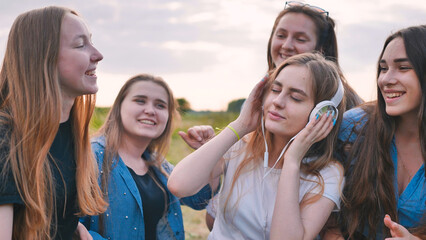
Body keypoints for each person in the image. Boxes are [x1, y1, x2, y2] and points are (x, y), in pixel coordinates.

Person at [203, 1, 364, 230]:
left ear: (321, 50)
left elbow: (349, 192)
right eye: (281, 35)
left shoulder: (345, 112)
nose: (286, 45)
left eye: (299, 38)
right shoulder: (263, 101)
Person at [168, 52, 346, 239]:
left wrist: (292, 161)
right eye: (275, 90)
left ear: (323, 114)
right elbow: (178, 185)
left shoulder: (327, 174)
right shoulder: (240, 146)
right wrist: (240, 125)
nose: (277, 102)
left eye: (295, 97)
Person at [0, 6, 107, 240]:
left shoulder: (71, 131)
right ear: (41, 56)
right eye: (81, 45)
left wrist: (76, 229)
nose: (98, 55)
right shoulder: (5, 139)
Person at [79, 74, 215, 240]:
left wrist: (209, 153)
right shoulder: (91, 156)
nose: (150, 110)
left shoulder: (158, 163)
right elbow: (69, 226)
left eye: (160, 105)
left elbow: (199, 199)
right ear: (119, 107)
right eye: (140, 100)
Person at [335, 25, 426, 240]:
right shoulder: (354, 127)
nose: (385, 79)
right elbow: (324, 210)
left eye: (403, 68)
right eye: (383, 68)